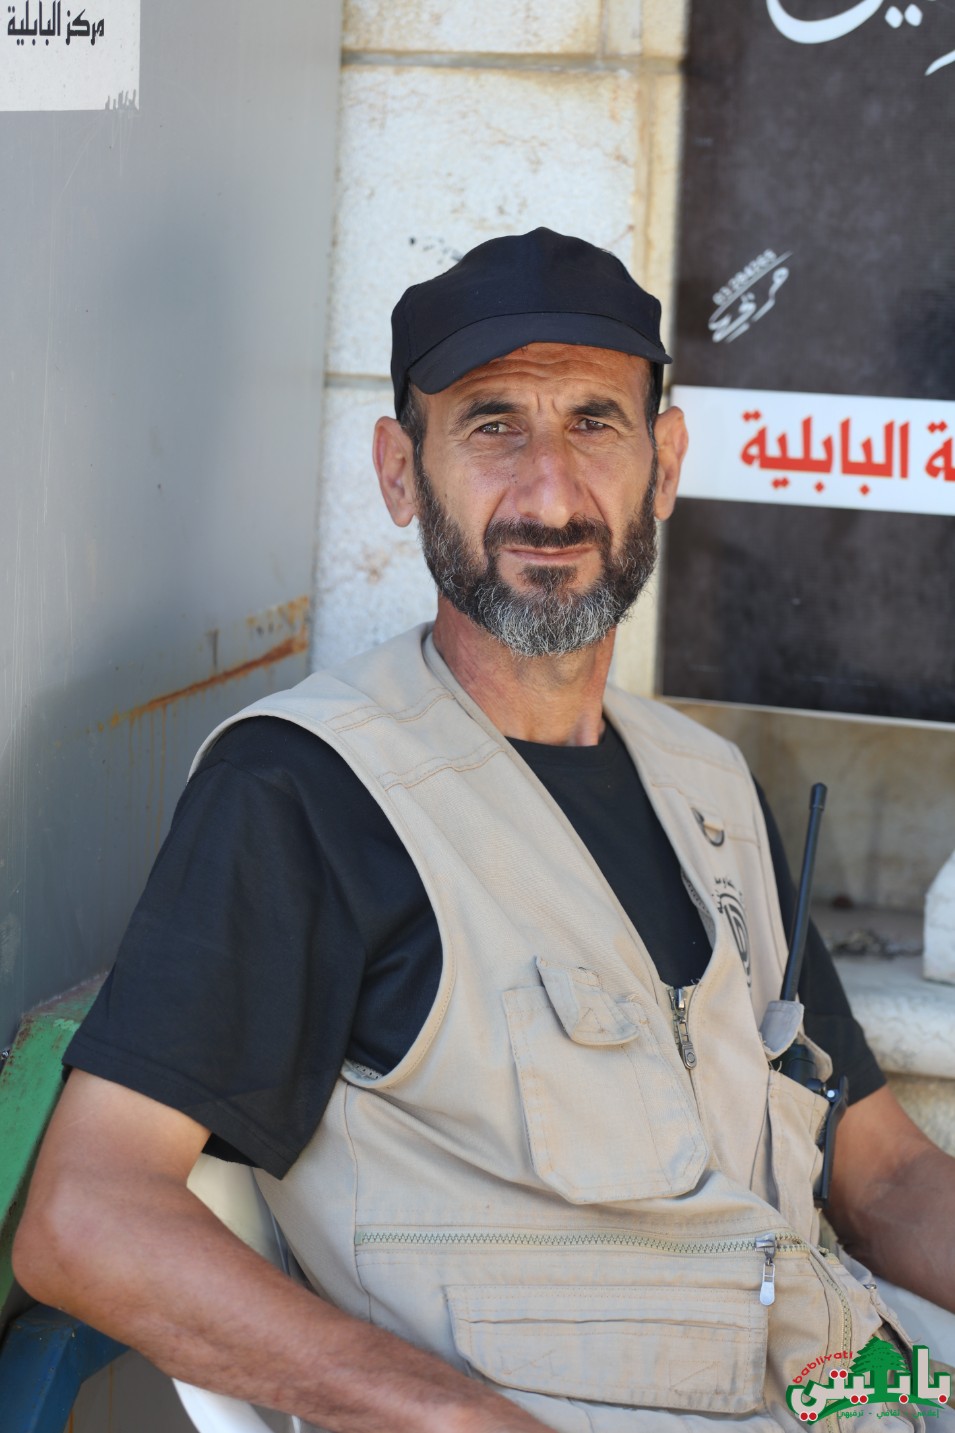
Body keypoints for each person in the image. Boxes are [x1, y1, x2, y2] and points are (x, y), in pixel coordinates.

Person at [14, 229, 955, 1433]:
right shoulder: (305, 790)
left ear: (665, 463)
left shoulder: (708, 786)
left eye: (595, 422)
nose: (549, 493)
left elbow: (884, 1173)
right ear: (400, 472)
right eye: (492, 424)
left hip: (843, 1390)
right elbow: (85, 1216)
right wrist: (458, 1417)